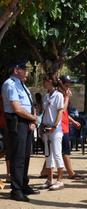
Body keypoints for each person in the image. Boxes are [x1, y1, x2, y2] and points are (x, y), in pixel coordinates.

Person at [1, 60, 39, 201]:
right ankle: (16, 190)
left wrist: (33, 120)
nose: (27, 71)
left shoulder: (22, 85)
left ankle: (23, 184)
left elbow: (30, 104)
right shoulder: (10, 84)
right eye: (24, 68)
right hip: (17, 122)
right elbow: (17, 108)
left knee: (25, 156)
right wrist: (33, 118)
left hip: (26, 122)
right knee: (18, 157)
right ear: (16, 70)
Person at [39, 74, 65, 190]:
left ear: (49, 81)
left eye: (44, 80)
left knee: (57, 153)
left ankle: (60, 180)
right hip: (46, 129)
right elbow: (43, 112)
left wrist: (54, 126)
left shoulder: (59, 95)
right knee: (48, 154)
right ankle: (50, 179)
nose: (43, 83)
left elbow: (60, 112)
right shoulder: (46, 96)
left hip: (55, 130)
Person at [59, 75, 82, 179]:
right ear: (61, 84)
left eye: (69, 84)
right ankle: (71, 172)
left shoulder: (64, 94)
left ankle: (44, 171)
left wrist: (73, 121)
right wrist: (67, 97)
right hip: (60, 127)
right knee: (65, 150)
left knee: (57, 150)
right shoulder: (59, 95)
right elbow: (62, 110)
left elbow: (65, 113)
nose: (68, 86)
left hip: (65, 125)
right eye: (66, 84)